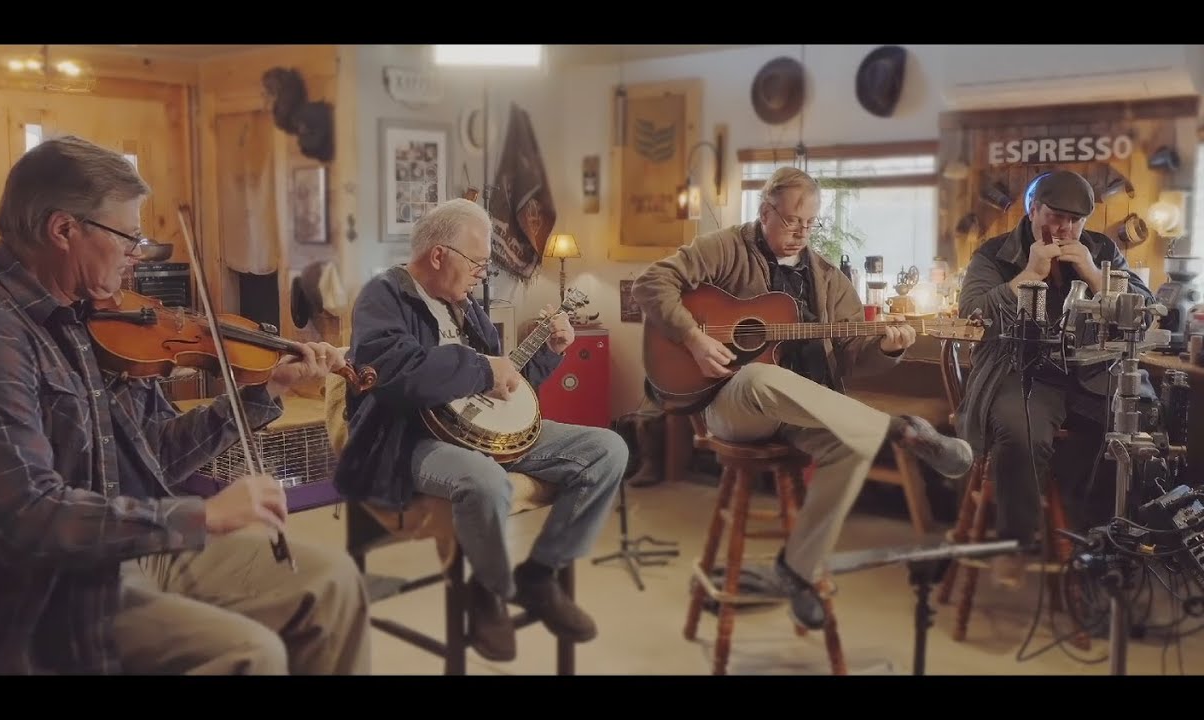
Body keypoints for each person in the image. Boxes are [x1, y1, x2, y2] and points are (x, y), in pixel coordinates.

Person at [0, 135, 371, 675]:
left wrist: (265, 389)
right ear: (63, 230)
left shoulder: (92, 317)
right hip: (41, 593)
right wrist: (201, 514)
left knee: (333, 583)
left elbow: (154, 454)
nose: (137, 254)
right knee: (251, 654)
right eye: (127, 236)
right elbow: (24, 519)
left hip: (127, 552)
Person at [632, 166, 974, 631]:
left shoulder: (828, 278)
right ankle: (900, 429)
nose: (801, 233)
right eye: (792, 221)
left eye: (810, 224)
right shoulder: (728, 247)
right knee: (757, 376)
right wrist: (693, 337)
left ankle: (796, 570)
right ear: (765, 210)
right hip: (733, 405)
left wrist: (889, 348)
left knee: (852, 445)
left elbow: (856, 357)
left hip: (805, 411)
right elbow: (651, 283)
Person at [334, 198, 626, 663]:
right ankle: (488, 592)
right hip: (408, 439)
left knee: (607, 448)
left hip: (483, 434)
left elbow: (507, 389)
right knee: (483, 480)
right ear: (438, 255)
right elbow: (394, 372)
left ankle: (539, 575)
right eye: (479, 262)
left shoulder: (467, 306)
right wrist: (480, 367)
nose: (483, 274)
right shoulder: (383, 296)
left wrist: (549, 350)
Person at [956, 170, 1155, 588]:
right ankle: (1016, 541)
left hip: (1091, 371)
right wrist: (1028, 274)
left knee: (1132, 427)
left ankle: (1103, 546)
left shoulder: (1102, 249)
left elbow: (1149, 311)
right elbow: (974, 316)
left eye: (1075, 220)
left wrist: (1094, 275)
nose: (1065, 228)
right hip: (1020, 368)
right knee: (1020, 428)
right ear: (1033, 209)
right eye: (1055, 216)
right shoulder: (994, 254)